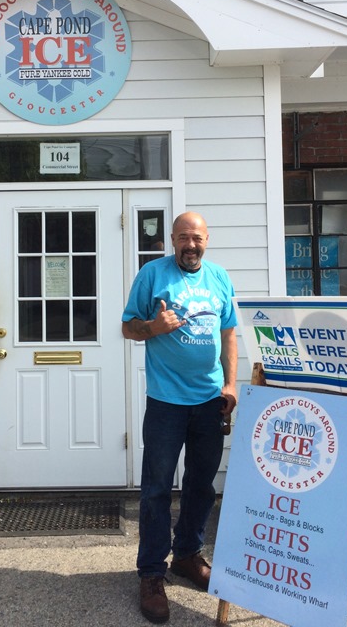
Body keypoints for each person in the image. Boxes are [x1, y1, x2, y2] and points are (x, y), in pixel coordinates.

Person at [122, 211, 238, 624]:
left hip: (210, 400)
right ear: (172, 239)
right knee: (156, 488)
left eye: (197, 238)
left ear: (207, 239)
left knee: (201, 483)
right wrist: (153, 327)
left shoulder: (219, 277)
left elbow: (228, 333)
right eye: (183, 238)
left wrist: (231, 384)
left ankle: (187, 555)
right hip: (166, 402)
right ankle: (152, 573)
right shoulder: (152, 275)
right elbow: (127, 327)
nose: (191, 245)